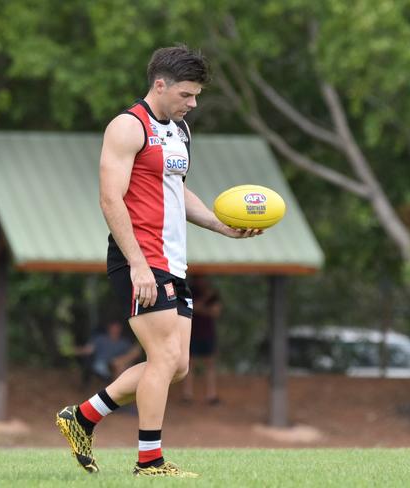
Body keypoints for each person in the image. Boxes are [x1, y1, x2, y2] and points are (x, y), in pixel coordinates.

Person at [55, 45, 262, 478]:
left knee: (177, 365)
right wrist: (138, 263)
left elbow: (177, 193)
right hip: (140, 258)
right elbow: (110, 198)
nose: (193, 103)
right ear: (160, 84)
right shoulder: (128, 127)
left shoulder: (181, 132)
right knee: (165, 358)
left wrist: (223, 227)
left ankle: (83, 417)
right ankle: (149, 461)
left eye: (196, 95)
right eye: (187, 94)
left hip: (172, 259)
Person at [181, 275, 222, 405]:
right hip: (192, 334)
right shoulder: (190, 292)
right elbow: (191, 309)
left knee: (210, 364)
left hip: (208, 334)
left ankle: (211, 395)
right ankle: (187, 395)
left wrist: (201, 309)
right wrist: (205, 301)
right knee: (190, 364)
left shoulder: (213, 294)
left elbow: (216, 312)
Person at [74, 320, 142, 383]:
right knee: (119, 367)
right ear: (109, 328)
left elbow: (133, 354)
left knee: (121, 365)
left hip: (119, 364)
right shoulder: (101, 338)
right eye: (114, 327)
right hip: (101, 364)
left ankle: (117, 388)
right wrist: (73, 351)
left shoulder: (124, 342)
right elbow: (88, 350)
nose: (116, 330)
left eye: (118, 328)